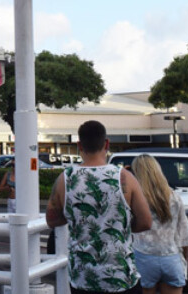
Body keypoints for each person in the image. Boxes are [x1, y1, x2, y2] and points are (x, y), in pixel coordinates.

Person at [46, 120, 153, 294]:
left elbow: (52, 220)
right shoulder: (125, 177)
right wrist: (121, 225)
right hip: (121, 277)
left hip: (82, 278)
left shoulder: (65, 179)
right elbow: (146, 222)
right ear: (107, 143)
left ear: (79, 145)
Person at [130, 155, 188, 294]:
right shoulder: (174, 197)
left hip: (143, 257)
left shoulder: (136, 199)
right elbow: (185, 234)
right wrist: (184, 261)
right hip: (171, 257)